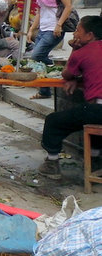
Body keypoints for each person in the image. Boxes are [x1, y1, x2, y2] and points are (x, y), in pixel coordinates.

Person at [38, 16, 102, 179]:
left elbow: (67, 74)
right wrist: (79, 79)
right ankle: (94, 159)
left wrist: (74, 49)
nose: (75, 34)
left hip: (98, 109)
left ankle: (52, 163)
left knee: (53, 121)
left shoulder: (82, 53)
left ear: (90, 35)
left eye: (78, 30)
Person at [27, 0, 74, 100]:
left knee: (36, 56)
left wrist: (59, 24)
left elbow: (68, 6)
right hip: (43, 27)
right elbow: (40, 11)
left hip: (54, 28)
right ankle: (44, 91)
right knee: (38, 60)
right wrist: (31, 29)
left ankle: (56, 70)